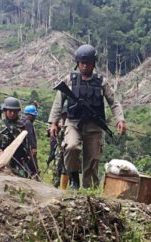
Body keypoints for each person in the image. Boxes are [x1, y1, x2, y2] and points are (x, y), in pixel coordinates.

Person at [48, 44, 126, 189]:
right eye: (82, 63)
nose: (85, 65)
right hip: (73, 123)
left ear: (93, 63)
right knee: (71, 147)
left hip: (94, 125)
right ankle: (73, 179)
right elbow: (58, 102)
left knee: (93, 158)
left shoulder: (101, 81)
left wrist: (120, 119)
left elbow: (114, 102)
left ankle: (89, 190)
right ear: (78, 63)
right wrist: (53, 123)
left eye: (88, 63)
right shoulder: (70, 80)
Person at [0, 97, 33, 178]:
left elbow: (26, 144)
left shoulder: (22, 125)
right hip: (2, 160)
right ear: (5, 111)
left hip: (18, 162)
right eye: (10, 111)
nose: (12, 113)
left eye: (15, 111)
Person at [22, 104, 39, 177]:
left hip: (23, 149)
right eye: (34, 116)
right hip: (28, 149)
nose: (35, 118)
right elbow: (30, 135)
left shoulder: (21, 121)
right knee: (33, 167)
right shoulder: (28, 123)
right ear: (31, 115)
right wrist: (34, 147)